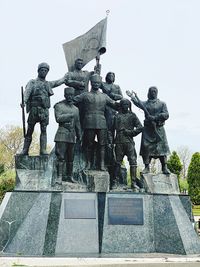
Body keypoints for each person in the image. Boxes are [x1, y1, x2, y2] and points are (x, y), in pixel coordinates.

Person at [74, 73, 118, 171]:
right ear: (91, 83)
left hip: (102, 122)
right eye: (94, 82)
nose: (96, 84)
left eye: (98, 83)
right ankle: (88, 163)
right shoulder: (85, 95)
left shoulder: (104, 96)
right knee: (89, 144)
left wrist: (124, 103)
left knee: (102, 144)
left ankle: (101, 164)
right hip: (89, 122)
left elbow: (114, 104)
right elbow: (73, 101)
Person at [21, 62, 66, 155]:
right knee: (30, 130)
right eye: (42, 70)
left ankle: (43, 150)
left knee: (44, 130)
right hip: (34, 109)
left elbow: (57, 82)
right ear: (38, 71)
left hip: (44, 110)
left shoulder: (48, 84)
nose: (44, 72)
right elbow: (27, 93)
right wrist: (24, 102)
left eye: (46, 71)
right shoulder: (32, 82)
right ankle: (25, 150)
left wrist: (65, 78)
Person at [126, 87, 170, 174]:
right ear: (149, 93)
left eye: (155, 91)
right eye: (151, 91)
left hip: (159, 129)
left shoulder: (162, 104)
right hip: (148, 130)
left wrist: (156, 117)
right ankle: (146, 167)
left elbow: (166, 114)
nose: (153, 93)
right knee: (146, 148)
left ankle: (164, 167)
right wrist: (132, 96)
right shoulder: (145, 104)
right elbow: (138, 103)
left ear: (157, 92)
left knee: (162, 149)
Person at [113, 99, 143, 190]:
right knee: (117, 162)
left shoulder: (132, 116)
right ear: (121, 106)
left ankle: (133, 183)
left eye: (127, 104)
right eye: (124, 104)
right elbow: (111, 130)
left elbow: (140, 127)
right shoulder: (116, 116)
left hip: (129, 142)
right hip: (118, 142)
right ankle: (115, 182)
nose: (125, 106)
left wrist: (130, 132)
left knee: (133, 162)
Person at [54, 87, 81, 184]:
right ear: (65, 95)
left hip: (72, 136)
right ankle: (59, 177)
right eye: (68, 95)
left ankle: (69, 176)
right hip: (62, 134)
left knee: (71, 158)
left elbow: (77, 123)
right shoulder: (59, 106)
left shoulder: (76, 109)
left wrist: (79, 135)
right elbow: (58, 118)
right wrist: (69, 115)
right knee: (60, 157)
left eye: (71, 95)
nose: (70, 97)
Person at [64, 58, 101, 127]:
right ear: (75, 64)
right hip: (74, 99)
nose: (80, 65)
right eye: (78, 63)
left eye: (81, 63)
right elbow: (67, 81)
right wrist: (78, 83)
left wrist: (97, 67)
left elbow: (96, 75)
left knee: (84, 119)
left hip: (85, 100)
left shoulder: (86, 73)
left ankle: (83, 136)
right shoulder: (71, 74)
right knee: (73, 118)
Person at [100, 72, 123, 142]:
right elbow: (97, 81)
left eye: (112, 76)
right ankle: (105, 141)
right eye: (109, 76)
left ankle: (111, 142)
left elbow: (121, 96)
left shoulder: (117, 86)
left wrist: (114, 95)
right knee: (105, 126)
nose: (111, 77)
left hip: (113, 107)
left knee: (112, 126)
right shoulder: (103, 84)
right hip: (105, 106)